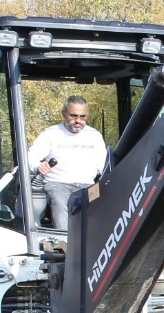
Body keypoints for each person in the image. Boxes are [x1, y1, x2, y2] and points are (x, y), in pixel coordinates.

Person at [27, 96, 106, 229]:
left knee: (101, 204)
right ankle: (65, 241)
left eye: (83, 117)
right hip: (58, 183)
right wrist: (39, 166)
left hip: (87, 184)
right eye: (73, 115)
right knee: (60, 201)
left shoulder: (94, 135)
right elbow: (31, 157)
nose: (78, 121)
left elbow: (103, 164)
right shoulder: (50, 134)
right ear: (64, 113)